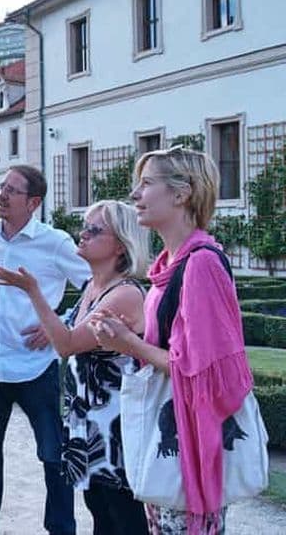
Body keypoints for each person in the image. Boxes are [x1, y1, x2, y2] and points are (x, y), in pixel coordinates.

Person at [89, 147, 254, 534]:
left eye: (146, 184)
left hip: (191, 445)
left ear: (181, 194)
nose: (135, 195)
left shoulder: (201, 264)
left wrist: (129, 343)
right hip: (175, 434)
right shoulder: (174, 264)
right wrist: (125, 334)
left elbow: (198, 371)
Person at [0, 200, 150, 535]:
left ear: (120, 245)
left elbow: (67, 344)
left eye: (94, 230)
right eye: (85, 227)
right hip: (91, 425)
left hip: (116, 432)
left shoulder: (124, 294)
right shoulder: (94, 288)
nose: (83, 234)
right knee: (103, 516)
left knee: (124, 520)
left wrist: (33, 290)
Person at [0, 165, 91, 535]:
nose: (2, 194)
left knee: (52, 455)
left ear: (33, 202)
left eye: (12, 191)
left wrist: (60, 325)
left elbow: (97, 286)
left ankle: (61, 528)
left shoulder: (55, 242)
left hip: (36, 369)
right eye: (2, 187)